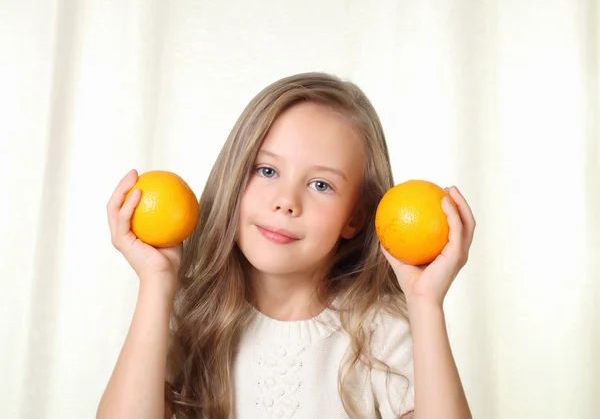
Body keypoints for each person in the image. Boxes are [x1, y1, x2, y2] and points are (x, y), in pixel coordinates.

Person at [97, 72, 475, 419]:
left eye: (321, 185)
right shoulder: (185, 314)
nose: (286, 200)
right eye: (267, 170)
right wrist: (157, 282)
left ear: (355, 218)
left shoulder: (383, 333)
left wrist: (425, 304)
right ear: (235, 176)